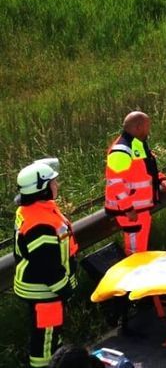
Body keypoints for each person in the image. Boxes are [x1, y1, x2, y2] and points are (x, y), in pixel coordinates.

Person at [14, 158, 79, 368]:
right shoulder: (40, 224)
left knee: (49, 335)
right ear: (42, 189)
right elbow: (47, 268)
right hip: (45, 292)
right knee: (45, 343)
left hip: (44, 290)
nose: (56, 185)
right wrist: (65, 290)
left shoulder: (35, 209)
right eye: (53, 182)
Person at [104, 111, 166, 256]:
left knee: (140, 249)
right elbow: (115, 183)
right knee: (135, 252)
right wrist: (127, 208)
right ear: (138, 127)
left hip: (139, 209)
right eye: (147, 126)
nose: (149, 130)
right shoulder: (121, 150)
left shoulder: (137, 144)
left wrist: (161, 179)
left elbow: (147, 169)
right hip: (130, 211)